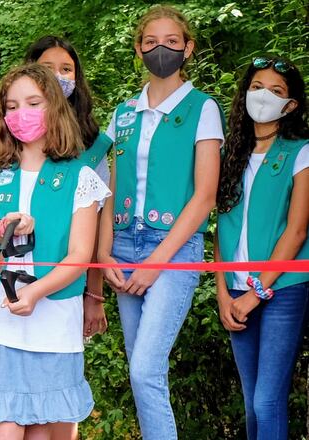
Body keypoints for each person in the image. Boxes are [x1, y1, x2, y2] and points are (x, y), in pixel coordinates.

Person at [0, 63, 110, 440]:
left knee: (44, 433)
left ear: (54, 106)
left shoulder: (80, 176)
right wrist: (1, 227)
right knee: (3, 430)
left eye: (33, 103)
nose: (22, 114)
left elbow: (80, 256)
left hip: (52, 323)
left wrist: (35, 292)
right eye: (12, 105)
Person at [97, 6, 224, 439]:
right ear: (138, 48)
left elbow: (205, 196)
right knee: (142, 373)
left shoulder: (202, 108)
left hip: (171, 250)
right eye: (151, 42)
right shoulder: (123, 113)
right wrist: (103, 251)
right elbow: (106, 185)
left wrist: (157, 263)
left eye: (172, 41)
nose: (161, 49)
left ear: (187, 49)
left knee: (145, 370)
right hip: (123, 246)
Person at [215, 55, 309, 440]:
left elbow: (298, 229)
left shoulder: (301, 151)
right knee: (251, 399)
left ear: (290, 105)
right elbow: (219, 229)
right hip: (235, 290)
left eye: (275, 91)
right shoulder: (227, 156)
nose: (263, 96)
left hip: (282, 289)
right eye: (256, 87)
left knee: (267, 401)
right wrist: (222, 294)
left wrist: (256, 292)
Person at [26, 35, 111, 336]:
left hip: (67, 285)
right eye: (48, 67)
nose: (58, 77)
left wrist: (95, 294)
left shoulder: (93, 145)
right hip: (11, 281)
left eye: (66, 69)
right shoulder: (11, 135)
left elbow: (97, 224)